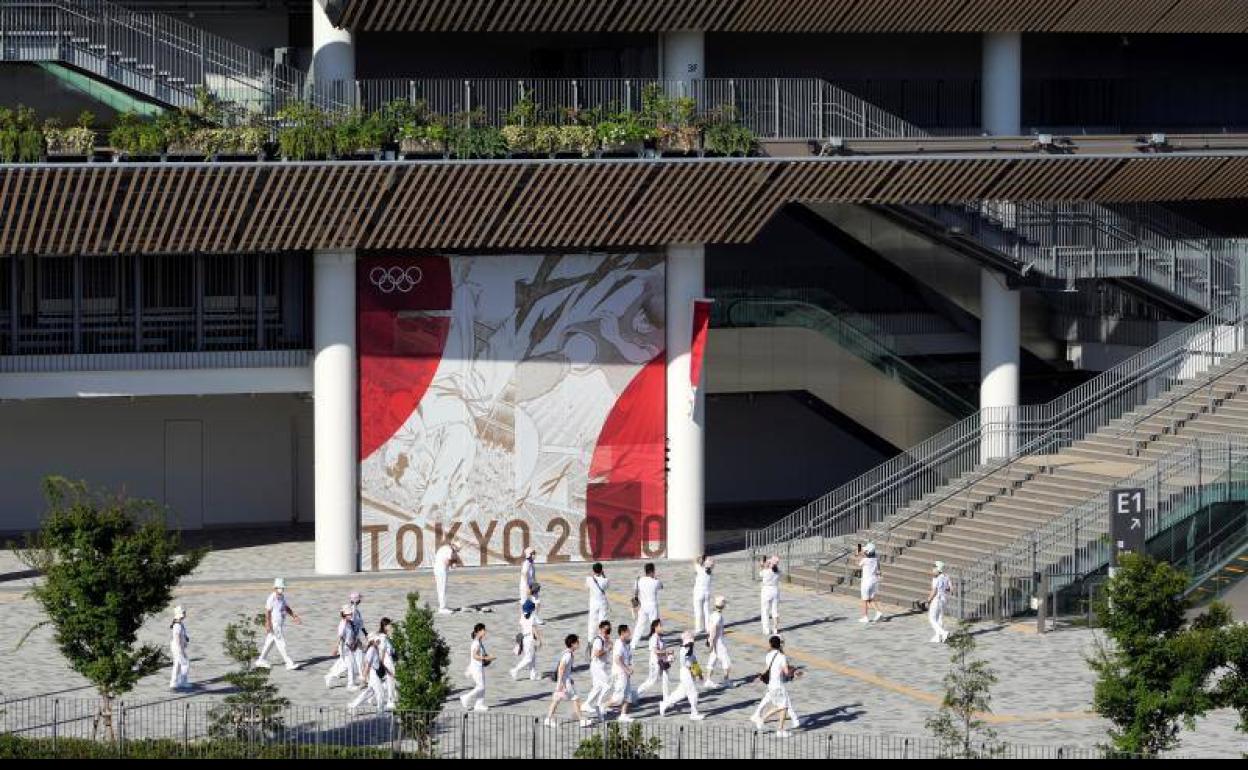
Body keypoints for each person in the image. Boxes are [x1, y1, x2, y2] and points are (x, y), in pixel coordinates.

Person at [750, 635, 804, 738]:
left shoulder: (768, 655)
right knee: (783, 706)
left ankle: (776, 726)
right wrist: (795, 673)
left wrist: (759, 677)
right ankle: (768, 723)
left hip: (771, 685)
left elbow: (766, 669)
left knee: (781, 706)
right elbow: (786, 672)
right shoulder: (781, 657)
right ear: (780, 645)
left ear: (770, 644)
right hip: (778, 685)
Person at [545, 634, 594, 728]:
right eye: (577, 642)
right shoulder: (568, 655)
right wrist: (561, 683)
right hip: (565, 682)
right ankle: (581, 720)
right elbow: (561, 668)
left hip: (565, 680)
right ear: (572, 644)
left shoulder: (567, 652)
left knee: (556, 700)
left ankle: (548, 719)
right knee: (575, 698)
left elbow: (564, 669)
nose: (579, 644)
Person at [255, 577, 301, 670]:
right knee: (281, 643)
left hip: (279, 623)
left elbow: (286, 607)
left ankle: (261, 660)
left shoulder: (282, 597)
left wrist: (294, 616)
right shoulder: (271, 598)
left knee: (269, 642)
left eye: (282, 587)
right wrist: (268, 623)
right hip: (274, 624)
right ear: (275, 588)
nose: (281, 589)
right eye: (280, 587)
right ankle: (288, 662)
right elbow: (267, 611)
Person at [659, 631, 705, 720]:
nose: (692, 643)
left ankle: (664, 704)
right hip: (685, 673)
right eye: (691, 642)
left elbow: (694, 662)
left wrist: (699, 674)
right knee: (693, 693)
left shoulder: (689, 650)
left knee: (679, 694)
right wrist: (689, 648)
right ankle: (694, 713)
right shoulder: (684, 650)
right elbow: (688, 659)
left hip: (689, 674)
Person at [348, 636, 390, 715]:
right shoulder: (372, 650)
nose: (379, 642)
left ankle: (353, 705)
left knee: (369, 692)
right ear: (373, 641)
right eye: (377, 640)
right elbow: (368, 664)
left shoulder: (375, 649)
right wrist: (364, 676)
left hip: (374, 674)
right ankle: (380, 711)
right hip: (374, 675)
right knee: (380, 692)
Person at [325, 603, 360, 691]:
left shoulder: (349, 623)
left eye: (351, 613)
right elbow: (340, 637)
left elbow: (352, 635)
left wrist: (355, 643)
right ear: (344, 614)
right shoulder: (343, 624)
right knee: (350, 665)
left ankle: (329, 676)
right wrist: (336, 648)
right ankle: (350, 685)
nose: (350, 615)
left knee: (347, 665)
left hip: (349, 647)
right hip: (344, 648)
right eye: (348, 614)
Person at [583, 621, 613, 720]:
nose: (607, 632)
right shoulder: (598, 640)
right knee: (608, 685)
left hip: (600, 666)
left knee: (597, 687)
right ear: (600, 629)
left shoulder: (605, 639)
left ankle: (586, 704)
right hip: (597, 666)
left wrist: (608, 643)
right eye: (605, 630)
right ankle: (600, 705)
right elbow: (597, 653)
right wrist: (608, 649)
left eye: (608, 630)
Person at [460, 623, 493, 712]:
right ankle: (466, 697)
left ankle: (479, 704)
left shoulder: (479, 642)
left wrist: (486, 657)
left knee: (482, 686)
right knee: (480, 686)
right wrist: (486, 658)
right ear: (479, 632)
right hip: (476, 668)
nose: (485, 632)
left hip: (479, 667)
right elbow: (475, 656)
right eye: (484, 630)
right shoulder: (476, 643)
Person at [636, 618, 671, 700]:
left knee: (665, 679)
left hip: (663, 662)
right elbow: (656, 651)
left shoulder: (660, 638)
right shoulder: (653, 638)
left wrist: (668, 656)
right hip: (655, 663)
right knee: (651, 681)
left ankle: (666, 698)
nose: (662, 628)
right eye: (660, 626)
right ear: (655, 627)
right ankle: (636, 694)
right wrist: (667, 652)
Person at [703, 595, 733, 688]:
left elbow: (709, 629)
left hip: (714, 640)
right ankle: (726, 680)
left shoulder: (713, 615)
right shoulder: (718, 617)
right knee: (726, 661)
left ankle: (708, 680)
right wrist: (712, 641)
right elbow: (713, 629)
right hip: (718, 642)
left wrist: (710, 640)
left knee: (712, 660)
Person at [608, 624, 636, 722]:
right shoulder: (619, 644)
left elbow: (627, 658)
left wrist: (629, 668)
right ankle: (602, 707)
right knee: (618, 696)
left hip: (625, 673)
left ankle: (623, 714)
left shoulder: (625, 644)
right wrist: (626, 669)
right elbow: (617, 659)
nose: (630, 633)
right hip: (619, 673)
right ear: (623, 633)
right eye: (628, 632)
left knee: (628, 695)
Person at [631, 563, 662, 651]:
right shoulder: (655, 581)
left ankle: (633, 644)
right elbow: (661, 586)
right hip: (652, 605)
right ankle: (652, 645)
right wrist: (655, 578)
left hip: (643, 605)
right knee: (654, 626)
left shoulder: (639, 580)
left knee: (640, 625)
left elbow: (635, 590)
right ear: (652, 571)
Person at [510, 599, 543, 681]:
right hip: (530, 639)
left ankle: (533, 675)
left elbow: (522, 611)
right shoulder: (532, 617)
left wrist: (521, 606)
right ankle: (515, 670)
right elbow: (534, 629)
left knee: (533, 657)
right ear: (532, 609)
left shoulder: (522, 616)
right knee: (528, 658)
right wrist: (539, 640)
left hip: (525, 639)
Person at [585, 562, 610, 655]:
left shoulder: (589, 579)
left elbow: (587, 586)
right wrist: (603, 574)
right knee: (603, 622)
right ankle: (602, 640)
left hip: (593, 603)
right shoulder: (605, 580)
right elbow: (607, 586)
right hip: (602, 603)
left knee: (592, 622)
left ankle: (590, 641)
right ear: (601, 570)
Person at [927, 561, 953, 643]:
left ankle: (943, 632)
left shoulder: (936, 578)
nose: (932, 570)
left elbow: (934, 591)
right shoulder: (946, 577)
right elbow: (951, 589)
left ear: (938, 569)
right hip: (944, 599)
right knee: (940, 618)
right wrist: (944, 589)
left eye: (934, 568)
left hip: (936, 599)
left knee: (932, 618)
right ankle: (938, 637)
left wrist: (928, 600)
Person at [433, 541, 462, 614]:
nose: (457, 552)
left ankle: (443, 606)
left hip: (437, 569)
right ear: (454, 547)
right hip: (441, 570)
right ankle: (442, 608)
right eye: (457, 550)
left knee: (440, 588)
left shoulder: (444, 548)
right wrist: (453, 565)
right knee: (442, 589)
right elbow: (447, 562)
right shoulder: (449, 550)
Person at [859, 543, 884, 624]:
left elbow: (857, 563)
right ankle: (878, 612)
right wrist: (861, 549)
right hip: (874, 581)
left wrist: (858, 554)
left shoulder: (865, 560)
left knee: (864, 600)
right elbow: (879, 569)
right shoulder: (876, 559)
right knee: (870, 599)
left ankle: (865, 616)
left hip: (866, 582)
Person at [376, 617, 397, 710]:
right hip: (387, 661)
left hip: (389, 660)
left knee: (389, 681)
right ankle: (390, 701)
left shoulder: (387, 636)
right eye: (389, 625)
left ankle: (390, 698)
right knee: (390, 680)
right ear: (384, 626)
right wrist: (382, 664)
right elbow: (382, 651)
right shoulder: (383, 637)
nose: (391, 626)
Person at [168, 606, 190, 691]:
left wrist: (186, 638)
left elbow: (182, 634)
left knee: (177, 664)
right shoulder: (177, 625)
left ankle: (173, 682)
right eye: (183, 613)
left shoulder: (179, 623)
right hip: (178, 647)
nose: (184, 614)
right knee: (185, 663)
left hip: (177, 646)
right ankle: (183, 682)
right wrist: (180, 648)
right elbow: (176, 636)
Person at [519, 547, 543, 624]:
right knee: (523, 602)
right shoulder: (526, 563)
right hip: (525, 586)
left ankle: (535, 617)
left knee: (537, 602)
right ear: (529, 555)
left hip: (532, 586)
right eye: (533, 553)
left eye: (534, 553)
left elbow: (533, 575)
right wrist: (527, 587)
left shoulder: (532, 563)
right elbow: (524, 574)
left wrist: (535, 583)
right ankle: (523, 618)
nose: (534, 555)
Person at [759, 555, 782, 637]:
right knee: (775, 611)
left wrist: (762, 565)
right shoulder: (778, 571)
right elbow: (775, 569)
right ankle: (775, 629)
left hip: (766, 590)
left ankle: (766, 629)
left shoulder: (766, 571)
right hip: (775, 590)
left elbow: (760, 574)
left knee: (765, 610)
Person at [692, 556, 714, 635]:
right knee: (707, 611)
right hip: (707, 593)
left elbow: (695, 560)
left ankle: (698, 628)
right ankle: (708, 627)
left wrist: (701, 559)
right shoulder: (710, 571)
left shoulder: (700, 569)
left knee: (698, 611)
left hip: (698, 593)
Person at [349, 592, 367, 678]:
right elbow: (352, 624)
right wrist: (355, 638)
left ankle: (361, 674)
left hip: (357, 636)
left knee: (359, 655)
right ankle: (332, 675)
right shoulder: (352, 610)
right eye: (359, 598)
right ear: (357, 600)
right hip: (354, 637)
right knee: (355, 656)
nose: (361, 600)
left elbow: (361, 624)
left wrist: (365, 633)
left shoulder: (356, 610)